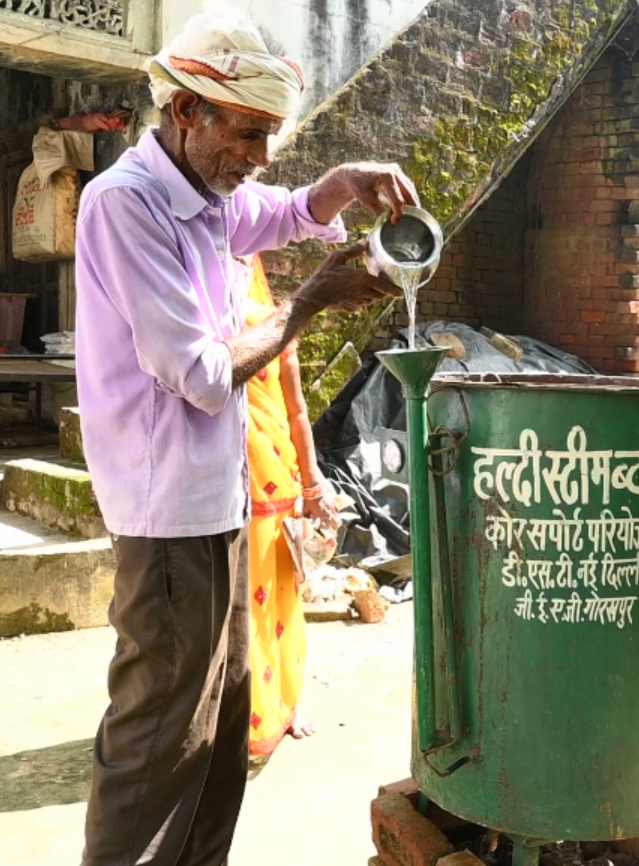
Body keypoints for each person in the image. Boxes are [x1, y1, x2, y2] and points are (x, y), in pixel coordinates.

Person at [72, 9, 418, 866]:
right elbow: (199, 372)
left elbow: (287, 210)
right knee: (157, 734)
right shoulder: (127, 204)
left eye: (271, 136)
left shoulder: (205, 193)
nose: (259, 157)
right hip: (165, 514)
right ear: (187, 110)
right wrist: (305, 306)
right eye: (250, 133)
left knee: (223, 719)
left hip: (215, 501)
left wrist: (339, 183)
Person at [236, 255, 336, 774]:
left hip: (277, 474)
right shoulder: (207, 312)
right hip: (230, 479)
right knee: (245, 607)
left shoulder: (276, 319)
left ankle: (286, 704)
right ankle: (251, 717)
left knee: (280, 598)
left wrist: (313, 480)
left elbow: (297, 408)